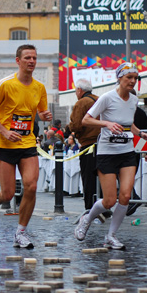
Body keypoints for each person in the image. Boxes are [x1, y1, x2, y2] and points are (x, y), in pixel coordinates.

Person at [75, 62, 147, 250]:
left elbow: (128, 124)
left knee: (125, 196)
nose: (133, 81)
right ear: (119, 78)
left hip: (126, 151)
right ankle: (87, 218)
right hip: (107, 153)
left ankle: (111, 235)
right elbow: (86, 119)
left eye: (135, 78)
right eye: (129, 78)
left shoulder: (134, 100)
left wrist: (140, 134)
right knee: (109, 200)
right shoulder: (106, 98)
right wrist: (107, 124)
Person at [0, 44, 53, 248]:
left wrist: (44, 115)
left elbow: (41, 112)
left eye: (34, 58)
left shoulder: (39, 87)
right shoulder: (6, 84)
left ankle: (21, 232)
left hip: (27, 142)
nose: (32, 61)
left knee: (31, 186)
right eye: (27, 57)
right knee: (8, 193)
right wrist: (4, 131)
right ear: (18, 61)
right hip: (4, 143)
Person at [67, 79, 101, 212]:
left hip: (88, 144)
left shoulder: (81, 103)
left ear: (80, 90)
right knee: (101, 177)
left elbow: (76, 125)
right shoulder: (99, 99)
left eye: (76, 90)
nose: (76, 93)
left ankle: (90, 208)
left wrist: (69, 126)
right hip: (102, 143)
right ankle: (103, 206)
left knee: (89, 178)